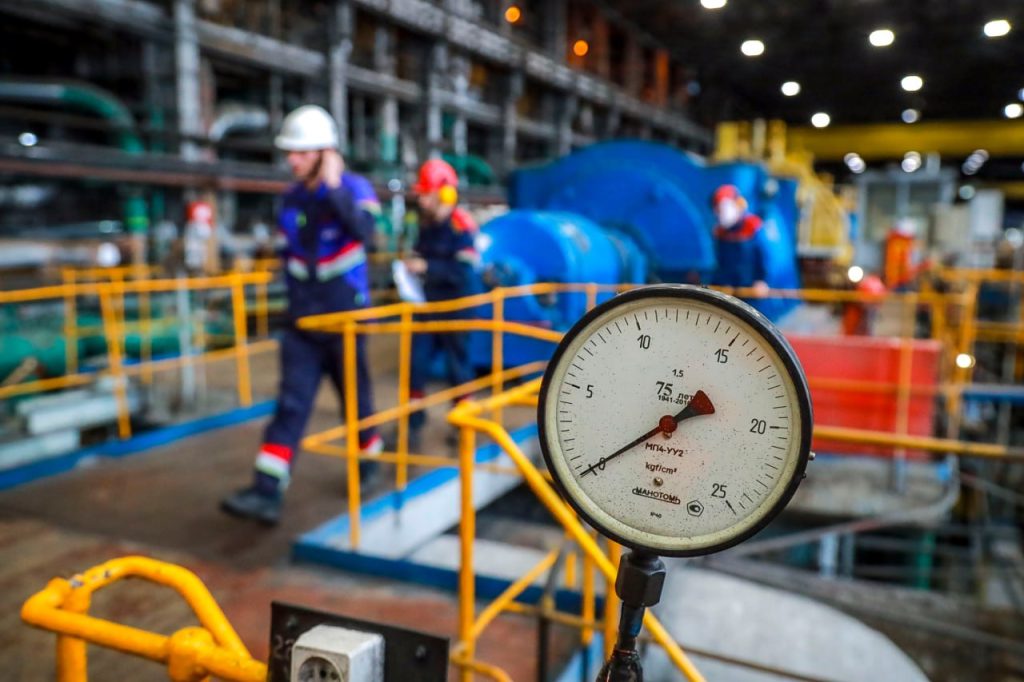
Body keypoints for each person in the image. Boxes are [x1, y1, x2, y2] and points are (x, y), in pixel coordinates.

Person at [220, 105, 382, 525]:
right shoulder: (291, 198)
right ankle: (266, 490)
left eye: (301, 152)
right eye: (289, 152)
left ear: (326, 153)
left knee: (357, 402)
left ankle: (371, 462)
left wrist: (333, 188)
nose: (291, 160)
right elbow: (290, 252)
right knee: (291, 406)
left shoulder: (355, 188)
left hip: (345, 322)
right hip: (302, 323)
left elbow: (367, 234)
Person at [404, 159, 479, 449]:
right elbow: (421, 253)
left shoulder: (461, 226)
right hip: (429, 307)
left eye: (426, 194)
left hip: (458, 308)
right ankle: (412, 423)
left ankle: (464, 425)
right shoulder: (427, 224)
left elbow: (462, 272)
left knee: (457, 367)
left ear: (444, 194)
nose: (421, 200)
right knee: (416, 365)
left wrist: (427, 267)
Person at [709, 184, 770, 297]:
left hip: (751, 292)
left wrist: (761, 281)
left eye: (724, 207)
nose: (721, 212)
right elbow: (721, 263)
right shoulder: (719, 233)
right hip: (728, 292)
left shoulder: (753, 226)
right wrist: (722, 283)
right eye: (718, 209)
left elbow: (763, 257)